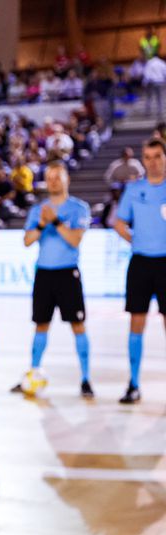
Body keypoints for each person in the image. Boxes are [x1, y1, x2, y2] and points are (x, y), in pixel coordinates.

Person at [12, 162, 94, 398]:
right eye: (49, 178)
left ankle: (86, 379)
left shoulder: (79, 208)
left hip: (68, 273)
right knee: (40, 324)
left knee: (78, 325)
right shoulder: (39, 210)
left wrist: (55, 221)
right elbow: (27, 241)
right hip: (44, 274)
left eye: (57, 177)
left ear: (66, 178)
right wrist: (42, 223)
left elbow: (75, 240)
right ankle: (33, 371)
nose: (53, 182)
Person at [113, 138, 166, 404]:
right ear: (143, 160)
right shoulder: (134, 190)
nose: (153, 161)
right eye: (148, 157)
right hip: (141, 262)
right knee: (136, 324)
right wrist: (138, 239)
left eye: (157, 156)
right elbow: (118, 223)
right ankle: (133, 383)